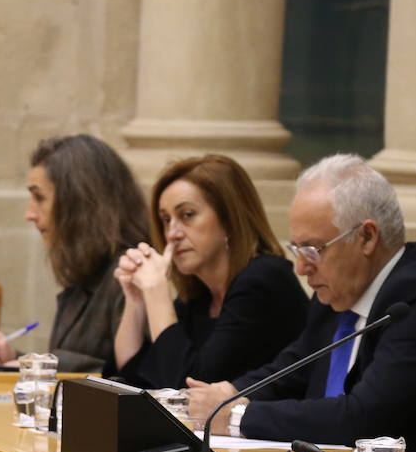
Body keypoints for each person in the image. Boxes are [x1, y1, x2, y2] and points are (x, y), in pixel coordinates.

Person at [186, 154, 416, 452]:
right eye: (296, 250)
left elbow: (363, 419)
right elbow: (290, 370)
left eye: (313, 249)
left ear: (366, 237)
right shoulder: (338, 292)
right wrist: (229, 395)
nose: (301, 267)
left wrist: (237, 416)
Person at [111, 154, 307, 388]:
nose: (172, 233)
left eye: (187, 215)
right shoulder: (199, 298)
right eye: (165, 219)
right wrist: (136, 301)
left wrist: (156, 292)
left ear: (229, 219)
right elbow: (129, 380)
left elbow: (189, 388)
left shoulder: (264, 280)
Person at [0, 134, 145, 373]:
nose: (30, 214)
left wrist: (34, 365)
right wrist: (14, 358)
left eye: (39, 197)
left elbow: (130, 381)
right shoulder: (86, 267)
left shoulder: (130, 272)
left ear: (79, 201)